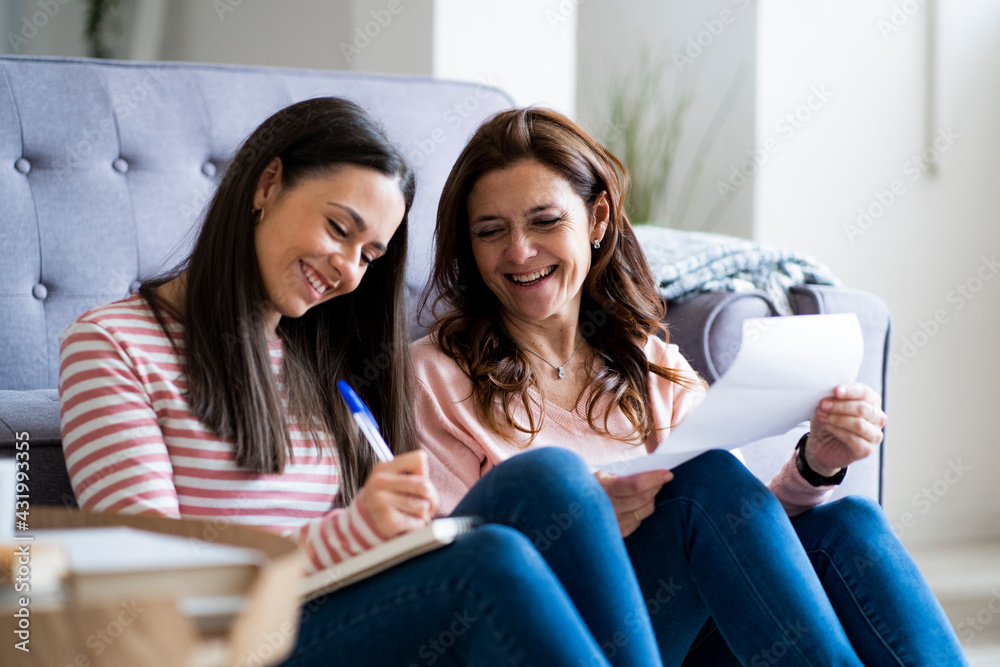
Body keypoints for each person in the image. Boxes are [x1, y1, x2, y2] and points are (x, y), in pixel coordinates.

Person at [58, 98, 668, 666]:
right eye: (338, 229)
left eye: (370, 255)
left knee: (551, 477)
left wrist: (397, 533)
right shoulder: (113, 346)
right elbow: (151, 597)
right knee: (488, 560)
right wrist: (355, 531)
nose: (348, 270)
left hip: (345, 618)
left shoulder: (316, 357)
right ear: (266, 185)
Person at [414, 106, 969, 666]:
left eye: (545, 221)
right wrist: (578, 522)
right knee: (697, 485)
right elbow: (447, 572)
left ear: (598, 219)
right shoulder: (434, 377)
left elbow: (740, 537)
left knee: (849, 524)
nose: (519, 251)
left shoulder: (650, 362)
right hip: (559, 636)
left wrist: (815, 466)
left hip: (681, 636)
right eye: (491, 231)